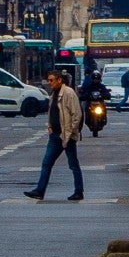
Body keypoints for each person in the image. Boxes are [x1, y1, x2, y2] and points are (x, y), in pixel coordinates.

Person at [24, 69, 86, 202]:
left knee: (73, 164)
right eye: (48, 80)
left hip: (66, 136)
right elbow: (51, 112)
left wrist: (70, 132)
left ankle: (79, 191)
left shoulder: (68, 93)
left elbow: (77, 114)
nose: (49, 83)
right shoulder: (53, 94)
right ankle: (40, 191)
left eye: (52, 80)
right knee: (46, 163)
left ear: (60, 80)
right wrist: (50, 127)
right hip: (55, 135)